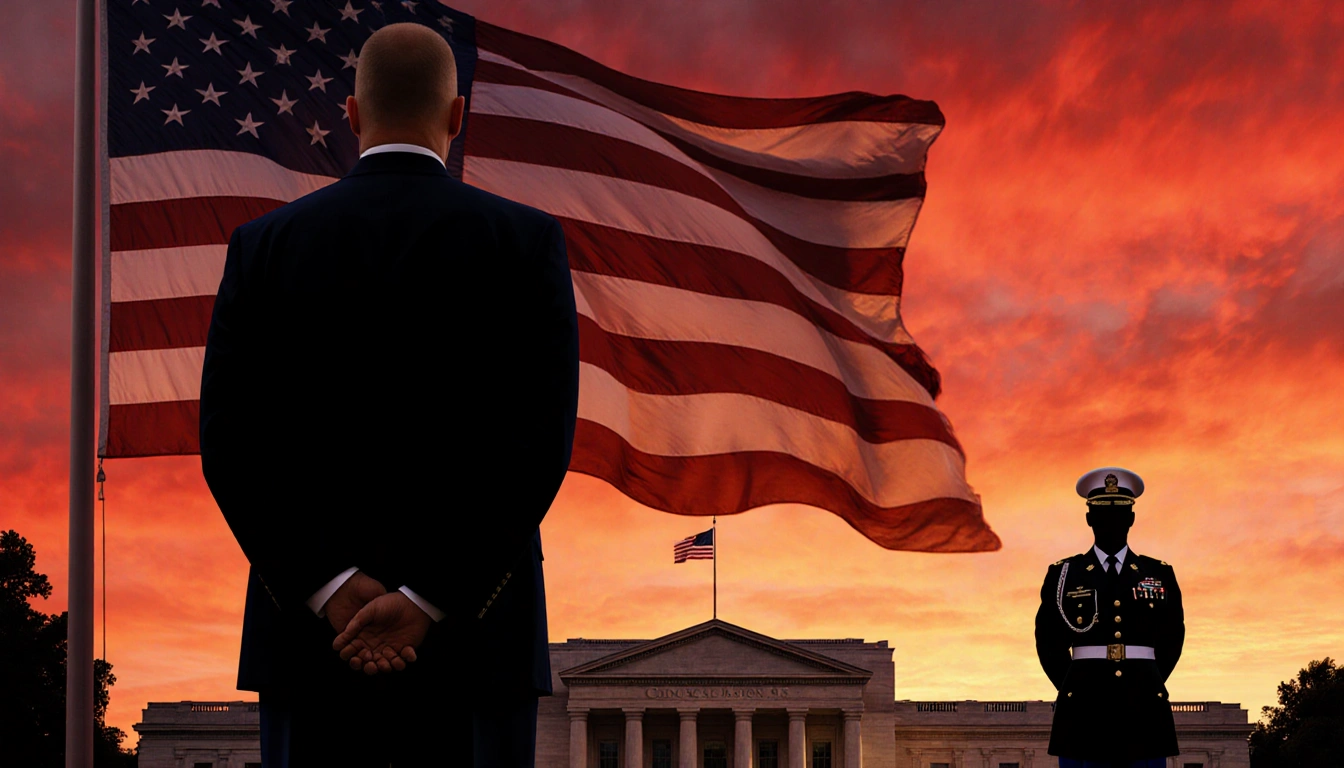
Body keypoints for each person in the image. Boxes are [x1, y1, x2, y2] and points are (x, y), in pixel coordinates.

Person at [199, 22, 580, 768]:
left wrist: (330, 586)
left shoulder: (263, 245)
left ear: (350, 114)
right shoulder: (526, 241)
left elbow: (230, 444)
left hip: (313, 645)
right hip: (477, 639)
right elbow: (539, 446)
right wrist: (432, 596)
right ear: (457, 115)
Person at [1034, 468, 1185, 768]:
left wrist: (1146, 681)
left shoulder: (1158, 573)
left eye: (1120, 512)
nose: (1111, 521)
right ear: (1089, 518)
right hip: (1082, 713)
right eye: (1103, 512)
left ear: (1131, 518)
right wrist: (1074, 687)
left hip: (1143, 710)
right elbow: (1048, 643)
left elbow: (1172, 639)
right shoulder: (1064, 574)